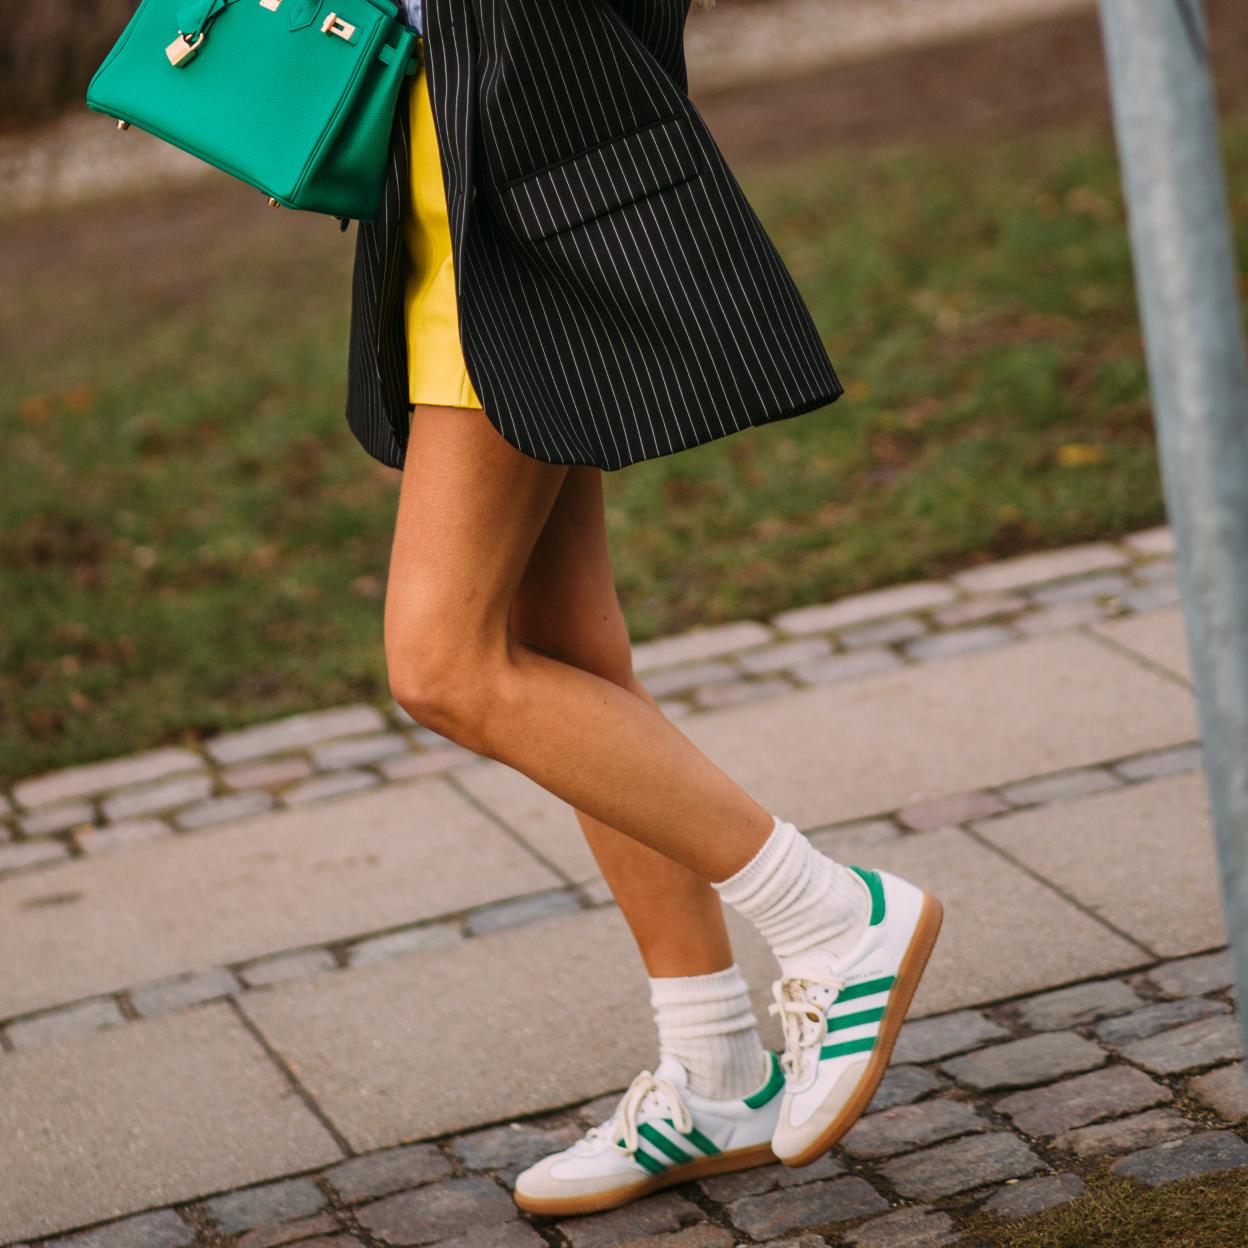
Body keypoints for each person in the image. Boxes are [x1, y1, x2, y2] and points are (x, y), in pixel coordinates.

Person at [347, 0, 944, 1218]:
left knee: (445, 664)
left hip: (525, 195)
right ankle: (716, 1069)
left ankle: (835, 915)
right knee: (562, 650)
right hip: (443, 186)